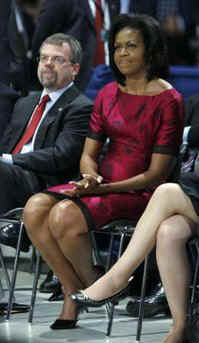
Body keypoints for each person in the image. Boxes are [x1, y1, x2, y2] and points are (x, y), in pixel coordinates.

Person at [23, 13, 184, 330]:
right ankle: (78, 287)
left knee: (63, 216)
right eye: (117, 47)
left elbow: (156, 175)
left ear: (150, 51)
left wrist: (102, 189)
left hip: (142, 192)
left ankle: (94, 287)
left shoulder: (169, 100)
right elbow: (89, 154)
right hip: (100, 185)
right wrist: (89, 175)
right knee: (34, 208)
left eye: (131, 46)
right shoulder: (108, 93)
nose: (122, 54)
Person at [0, 32, 92, 253]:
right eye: (43, 58)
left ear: (75, 69)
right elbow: (7, 144)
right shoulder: (25, 102)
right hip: (10, 175)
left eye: (57, 59)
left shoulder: (81, 107)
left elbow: (61, 155)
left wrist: (10, 160)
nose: (48, 64)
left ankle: (21, 231)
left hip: (43, 183)